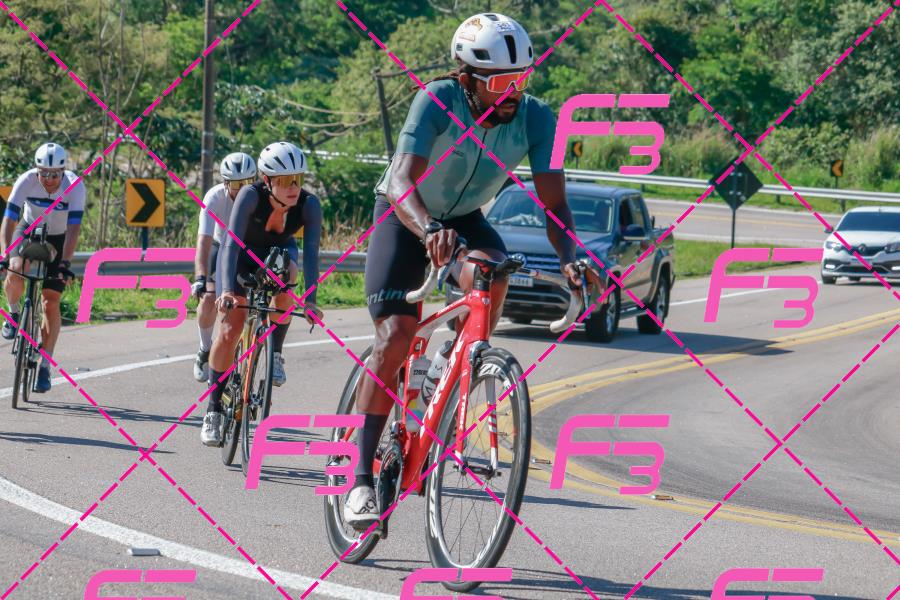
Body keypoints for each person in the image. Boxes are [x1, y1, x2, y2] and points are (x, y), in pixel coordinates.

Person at [344, 13, 601, 528]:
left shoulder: (537, 118)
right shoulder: (436, 100)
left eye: (521, 79)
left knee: (494, 272)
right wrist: (427, 228)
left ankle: (451, 361)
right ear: (466, 78)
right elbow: (401, 180)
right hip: (405, 213)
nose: (513, 94)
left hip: (464, 218)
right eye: (501, 83)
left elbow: (555, 207)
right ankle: (359, 479)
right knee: (395, 336)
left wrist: (571, 257)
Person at [200, 141, 324, 447]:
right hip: (242, 253)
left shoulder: (309, 205)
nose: (293, 187)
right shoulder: (250, 196)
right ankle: (213, 409)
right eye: (285, 180)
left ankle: (275, 352)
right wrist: (226, 291)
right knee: (230, 329)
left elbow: (311, 253)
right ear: (267, 180)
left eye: (298, 179)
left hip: (279, 253)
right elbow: (230, 244)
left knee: (290, 276)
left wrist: (311, 300)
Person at [0, 143, 83, 393]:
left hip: (59, 237)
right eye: (44, 173)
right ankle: (14, 314)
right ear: (37, 170)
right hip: (27, 229)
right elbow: (9, 220)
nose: (49, 179)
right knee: (15, 266)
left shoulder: (74, 186)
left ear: (63, 172)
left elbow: (73, 229)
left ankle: (45, 364)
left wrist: (65, 263)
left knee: (50, 301)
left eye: (55, 174)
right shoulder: (26, 180)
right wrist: (5, 254)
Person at [191, 151, 257, 382]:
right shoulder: (214, 198)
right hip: (221, 245)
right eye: (237, 184)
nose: (242, 189)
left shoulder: (259, 197)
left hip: (249, 247)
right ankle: (205, 348)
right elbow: (204, 242)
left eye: (247, 183)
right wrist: (200, 277)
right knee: (209, 298)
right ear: (226, 182)